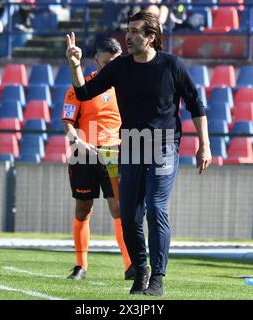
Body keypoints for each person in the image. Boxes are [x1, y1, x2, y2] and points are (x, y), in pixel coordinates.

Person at [65, 10, 211, 296]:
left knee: (156, 208)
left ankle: (157, 277)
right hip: (131, 144)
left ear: (151, 37)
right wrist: (75, 65)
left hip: (164, 145)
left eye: (134, 32)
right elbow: (83, 94)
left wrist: (204, 144)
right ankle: (140, 270)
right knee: (129, 215)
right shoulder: (120, 67)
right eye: (128, 30)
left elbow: (196, 105)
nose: (127, 37)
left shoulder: (172, 65)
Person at [62, 38, 135, 281]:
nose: (111, 68)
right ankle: (81, 266)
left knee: (119, 209)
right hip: (83, 153)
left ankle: (130, 265)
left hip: (113, 153)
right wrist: (76, 141)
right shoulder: (81, 86)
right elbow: (68, 123)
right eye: (106, 63)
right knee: (83, 208)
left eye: (115, 62)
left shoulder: (126, 87)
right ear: (96, 61)